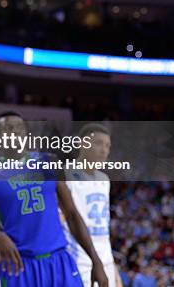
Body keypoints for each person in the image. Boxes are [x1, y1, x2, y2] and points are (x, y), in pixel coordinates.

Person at [0, 112, 108, 287]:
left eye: (19, 127)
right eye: (7, 128)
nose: (14, 132)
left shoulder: (49, 163)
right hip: (19, 267)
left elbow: (71, 215)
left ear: (26, 132)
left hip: (59, 262)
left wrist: (96, 261)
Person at [63, 123, 123, 287]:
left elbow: (104, 232)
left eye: (107, 146)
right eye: (98, 143)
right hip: (77, 261)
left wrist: (113, 270)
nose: (104, 150)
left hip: (105, 262)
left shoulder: (104, 180)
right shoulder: (64, 175)